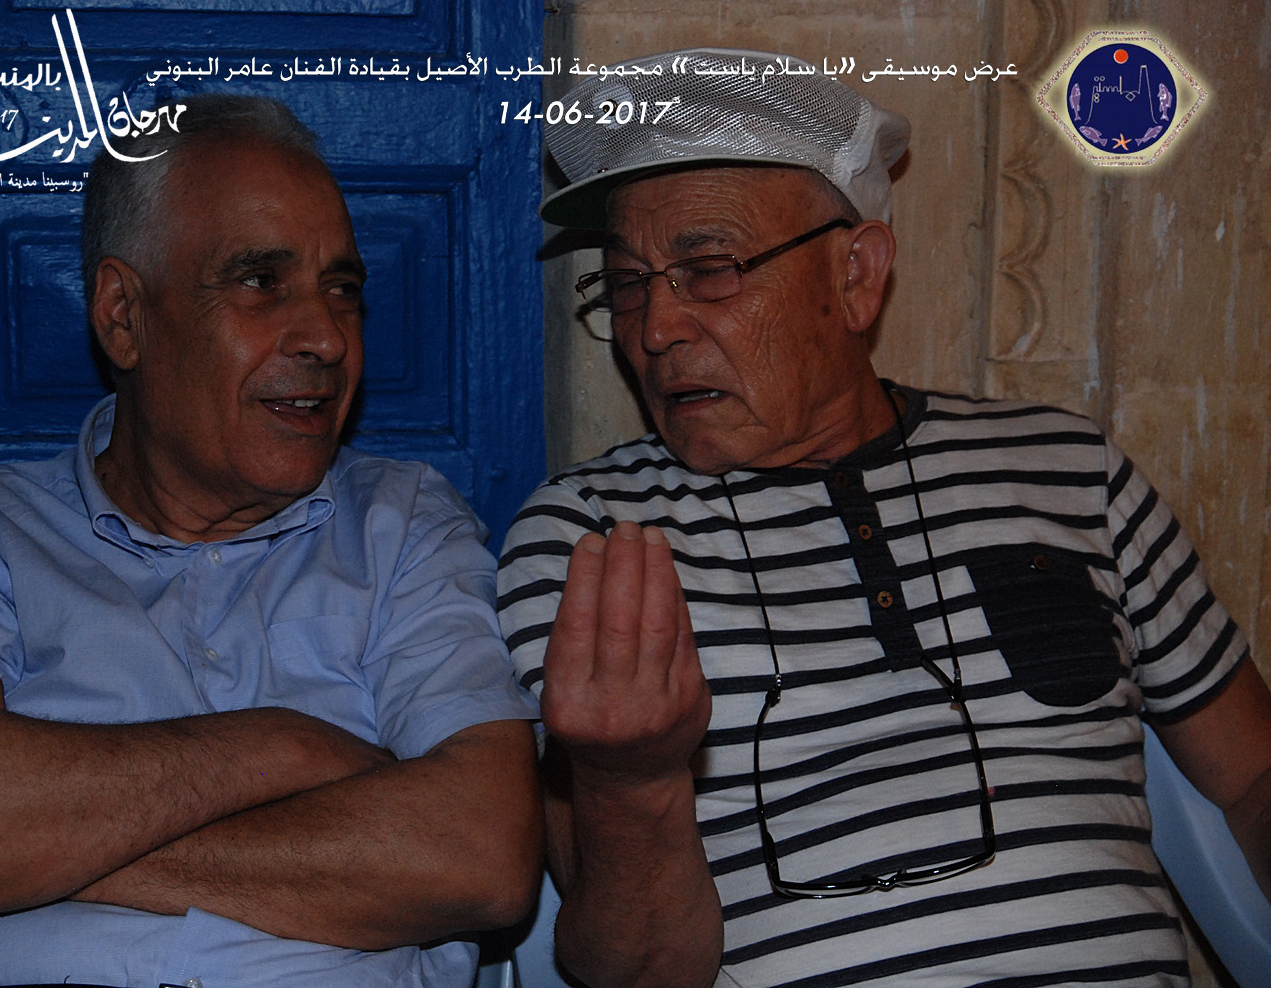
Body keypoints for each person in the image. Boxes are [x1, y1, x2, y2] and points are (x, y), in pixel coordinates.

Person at [498, 48, 1271, 988]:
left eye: (708, 269)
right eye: (626, 284)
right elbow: (631, 974)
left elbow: (1251, 777)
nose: (654, 329)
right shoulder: (591, 540)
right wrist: (634, 784)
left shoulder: (1068, 467)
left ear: (857, 276)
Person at [0, 94, 542, 988]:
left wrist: (14, 838)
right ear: (123, 315)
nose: (326, 338)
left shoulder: (403, 527)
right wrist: (286, 748)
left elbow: (481, 857)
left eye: (341, 290)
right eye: (259, 281)